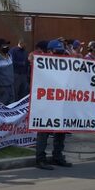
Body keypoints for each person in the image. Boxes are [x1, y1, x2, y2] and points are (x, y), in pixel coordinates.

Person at [35, 39, 72, 170]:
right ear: (49, 52)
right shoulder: (41, 64)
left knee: (61, 130)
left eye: (62, 53)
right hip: (46, 102)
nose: (60, 56)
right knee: (44, 130)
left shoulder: (66, 64)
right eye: (57, 53)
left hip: (61, 102)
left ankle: (57, 156)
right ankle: (40, 158)